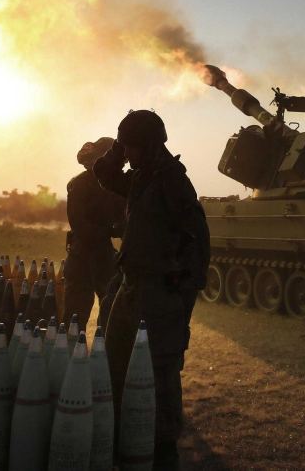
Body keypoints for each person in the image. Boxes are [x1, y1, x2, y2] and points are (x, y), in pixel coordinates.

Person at [94, 109, 209, 469]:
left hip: (159, 294)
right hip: (130, 288)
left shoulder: (172, 182)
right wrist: (117, 146)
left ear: (148, 145)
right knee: (115, 362)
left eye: (130, 147)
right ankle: (120, 438)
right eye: (124, 147)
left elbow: (198, 242)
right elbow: (105, 175)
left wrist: (181, 295)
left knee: (160, 372)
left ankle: (162, 448)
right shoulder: (143, 177)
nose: (126, 154)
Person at [63, 137, 124, 329]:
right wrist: (112, 230)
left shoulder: (116, 185)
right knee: (75, 315)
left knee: (110, 314)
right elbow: (80, 225)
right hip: (84, 256)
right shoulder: (80, 184)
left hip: (102, 255)